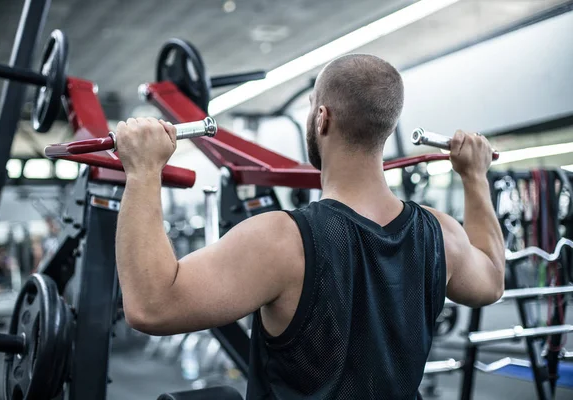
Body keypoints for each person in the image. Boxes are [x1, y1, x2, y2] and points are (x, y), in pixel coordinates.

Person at [114, 54, 505, 399]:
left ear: (322, 118)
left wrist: (144, 170)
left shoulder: (283, 240)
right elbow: (491, 280)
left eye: (312, 107)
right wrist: (475, 177)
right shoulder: (440, 233)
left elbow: (152, 307)